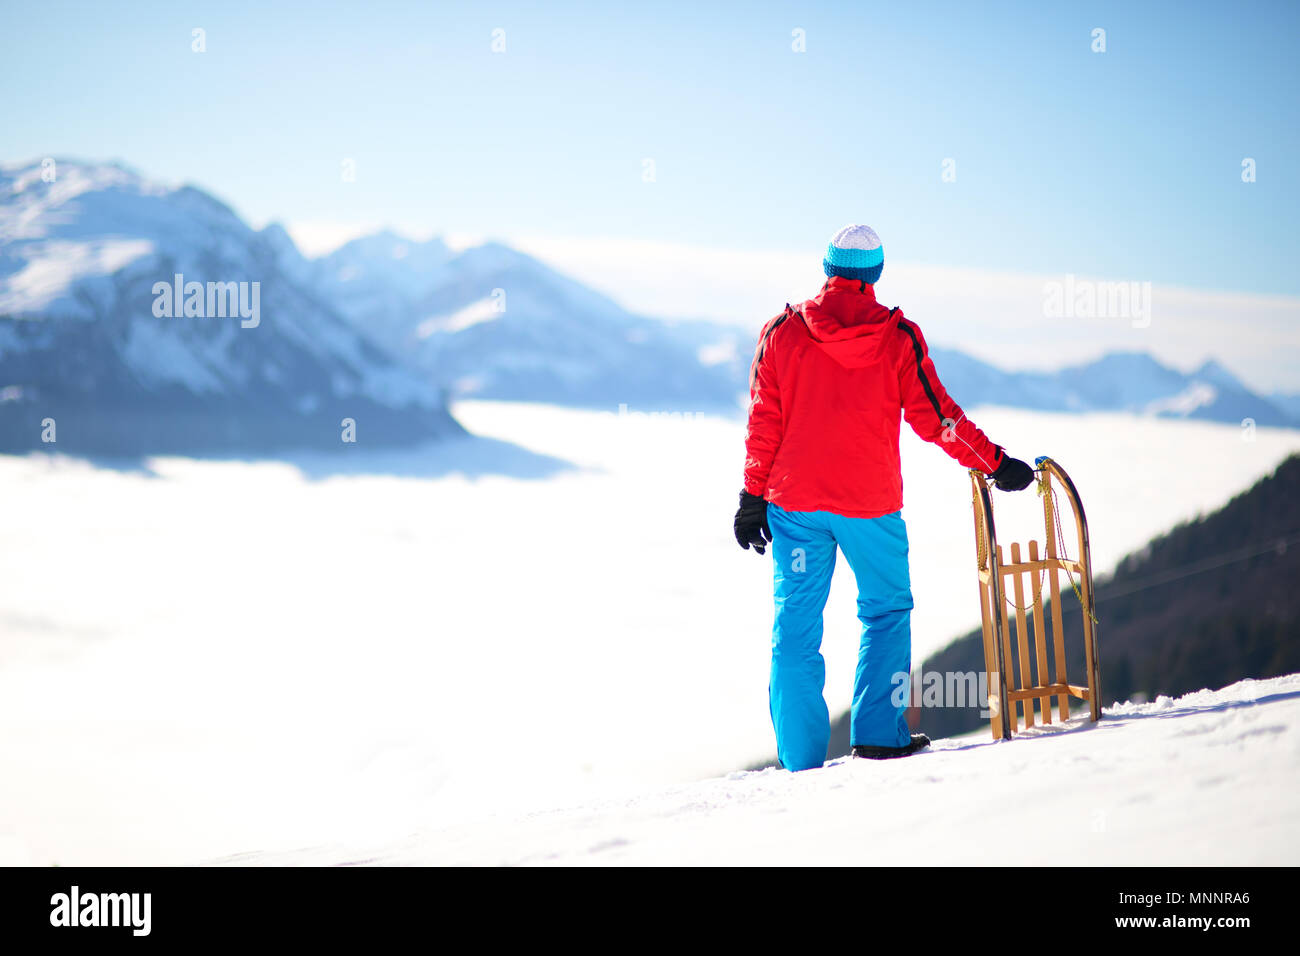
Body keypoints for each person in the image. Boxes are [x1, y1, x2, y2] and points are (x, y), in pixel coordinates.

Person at [733, 224, 1035, 771]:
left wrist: (751, 497)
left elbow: (763, 422)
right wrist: (995, 463)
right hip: (869, 505)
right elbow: (939, 420)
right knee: (886, 610)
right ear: (874, 274)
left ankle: (799, 760)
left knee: (796, 626)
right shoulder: (898, 338)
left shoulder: (782, 332)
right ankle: (877, 733)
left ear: (827, 267)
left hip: (795, 505)